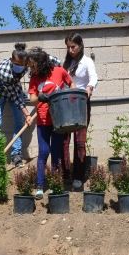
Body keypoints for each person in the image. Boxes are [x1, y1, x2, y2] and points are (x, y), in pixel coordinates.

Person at [26, 47, 72, 199]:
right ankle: (39, 186)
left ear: (41, 62)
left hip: (59, 120)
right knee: (43, 152)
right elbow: (32, 98)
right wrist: (41, 96)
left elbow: (72, 85)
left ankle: (54, 184)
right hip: (43, 120)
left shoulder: (59, 71)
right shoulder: (34, 78)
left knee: (56, 152)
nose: (31, 68)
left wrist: (70, 99)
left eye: (33, 64)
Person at [61, 33, 98, 191]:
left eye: (73, 47)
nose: (70, 50)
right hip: (66, 104)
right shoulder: (66, 63)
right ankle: (65, 174)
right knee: (64, 140)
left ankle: (78, 176)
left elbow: (94, 77)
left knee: (80, 141)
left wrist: (90, 87)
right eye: (68, 47)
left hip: (81, 103)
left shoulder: (87, 61)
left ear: (80, 45)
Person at [0, 43, 35, 168]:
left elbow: (47, 60)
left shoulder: (26, 64)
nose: (19, 67)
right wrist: (27, 113)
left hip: (14, 89)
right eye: (16, 64)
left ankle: (16, 155)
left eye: (22, 65)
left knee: (19, 122)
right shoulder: (4, 72)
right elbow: (15, 97)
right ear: (11, 60)